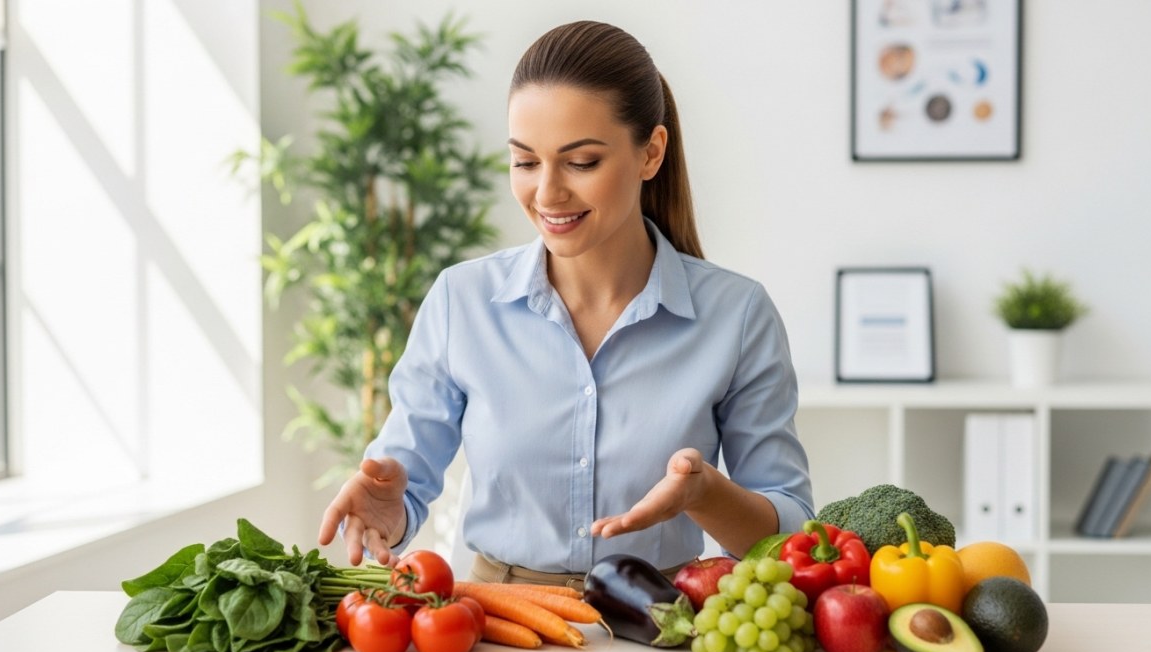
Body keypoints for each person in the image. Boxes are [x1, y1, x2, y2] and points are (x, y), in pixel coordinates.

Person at [318, 20, 813, 586]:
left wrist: (706, 495)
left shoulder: (737, 315)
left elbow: (792, 531)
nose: (547, 193)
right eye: (525, 162)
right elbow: (405, 469)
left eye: (581, 163)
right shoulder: (462, 301)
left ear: (650, 153)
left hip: (664, 623)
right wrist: (392, 509)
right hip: (500, 623)